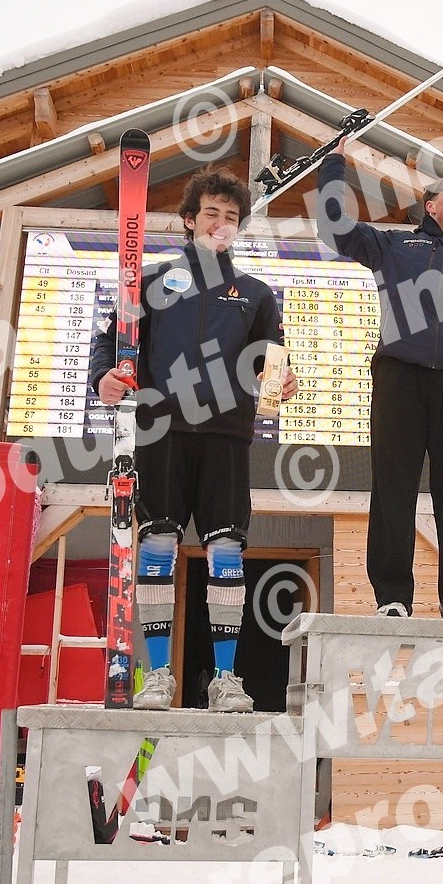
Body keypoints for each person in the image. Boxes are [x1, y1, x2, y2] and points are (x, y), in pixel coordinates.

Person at [89, 168, 297, 712]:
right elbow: (110, 341)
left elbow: (272, 361)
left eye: (231, 217)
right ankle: (158, 675)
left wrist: (283, 380)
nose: (221, 223)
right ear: (188, 220)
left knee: (226, 549)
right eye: (211, 213)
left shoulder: (256, 295)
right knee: (158, 544)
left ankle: (225, 679)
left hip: (227, 435)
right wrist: (104, 377)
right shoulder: (150, 281)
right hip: (160, 431)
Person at [316, 143, 443, 620]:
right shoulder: (396, 247)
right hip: (399, 377)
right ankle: (392, 597)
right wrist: (333, 164)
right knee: (393, 487)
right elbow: (334, 227)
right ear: (430, 205)